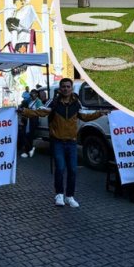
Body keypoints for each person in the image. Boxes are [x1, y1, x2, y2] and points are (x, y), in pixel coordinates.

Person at [19, 78, 107, 208]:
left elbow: (84, 116)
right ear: (60, 89)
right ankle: (59, 194)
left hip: (71, 142)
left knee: (72, 170)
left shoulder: (76, 103)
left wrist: (99, 113)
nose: (66, 88)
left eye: (68, 86)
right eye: (63, 86)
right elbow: (40, 112)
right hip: (58, 142)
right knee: (60, 169)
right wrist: (24, 111)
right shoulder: (54, 102)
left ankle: (69, 196)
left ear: (71, 88)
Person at [19, 89, 41, 158]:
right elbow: (24, 103)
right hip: (28, 120)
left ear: (37, 94)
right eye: (31, 93)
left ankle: (29, 150)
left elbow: (39, 111)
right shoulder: (30, 101)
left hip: (34, 120)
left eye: (33, 93)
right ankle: (29, 149)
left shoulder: (38, 101)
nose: (32, 95)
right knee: (26, 135)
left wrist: (30, 112)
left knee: (29, 135)